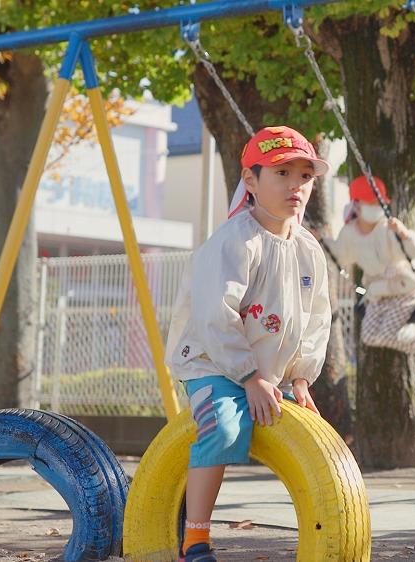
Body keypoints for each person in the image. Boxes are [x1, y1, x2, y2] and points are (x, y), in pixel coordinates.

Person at [165, 125, 332, 562]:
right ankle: (195, 537)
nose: (295, 185)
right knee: (222, 427)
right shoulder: (234, 241)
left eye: (305, 176)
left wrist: (300, 377)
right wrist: (249, 376)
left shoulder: (309, 249)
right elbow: (214, 315)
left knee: (316, 440)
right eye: (282, 173)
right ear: (251, 181)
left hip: (269, 371)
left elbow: (316, 318)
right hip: (213, 363)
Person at [326, 175, 415, 355]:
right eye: (369, 203)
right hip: (377, 290)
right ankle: (414, 337)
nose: (374, 207)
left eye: (377, 203)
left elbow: (413, 251)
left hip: (402, 287)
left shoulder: (388, 227)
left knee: (387, 336)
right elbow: (340, 253)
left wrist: (403, 233)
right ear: (356, 204)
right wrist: (319, 240)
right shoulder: (349, 233)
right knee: (369, 336)